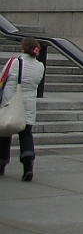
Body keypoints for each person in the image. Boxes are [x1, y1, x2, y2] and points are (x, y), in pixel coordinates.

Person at [0, 37, 46, 181]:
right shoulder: (40, 66)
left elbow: (2, 78)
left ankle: (1, 163)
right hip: (28, 104)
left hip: (11, 101)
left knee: (5, 133)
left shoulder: (14, 62)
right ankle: (28, 165)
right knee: (26, 134)